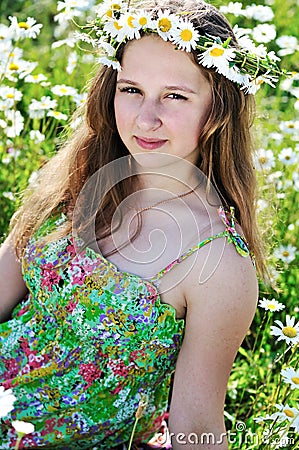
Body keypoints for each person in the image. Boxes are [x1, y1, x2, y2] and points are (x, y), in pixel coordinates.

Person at [0, 0, 285, 448]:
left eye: (175, 96)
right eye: (131, 89)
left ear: (218, 109)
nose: (145, 118)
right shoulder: (79, 175)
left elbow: (196, 427)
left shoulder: (216, 263)